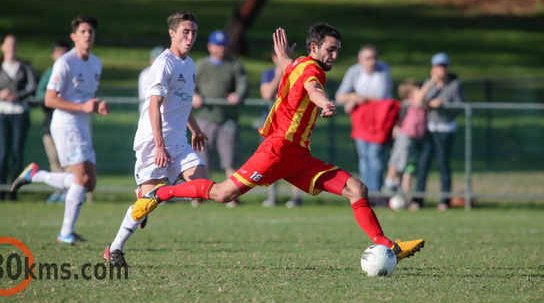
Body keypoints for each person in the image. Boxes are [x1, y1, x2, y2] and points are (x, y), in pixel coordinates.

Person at [132, 24, 425, 263]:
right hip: (277, 150)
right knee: (222, 194)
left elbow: (290, 67)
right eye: (330, 49)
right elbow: (313, 89)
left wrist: (283, 55)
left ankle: (389, 246)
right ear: (314, 48)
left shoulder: (298, 64)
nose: (334, 55)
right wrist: (325, 103)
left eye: (337, 50)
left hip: (298, 156)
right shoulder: (312, 71)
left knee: (357, 189)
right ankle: (160, 194)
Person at [103, 10, 209, 267]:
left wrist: (194, 129)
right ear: (172, 33)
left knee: (201, 183)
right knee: (149, 202)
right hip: (153, 141)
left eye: (194, 32)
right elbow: (154, 106)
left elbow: (182, 104)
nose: (191, 37)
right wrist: (159, 146)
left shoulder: (189, 63)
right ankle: (114, 248)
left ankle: (153, 193)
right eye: (186, 31)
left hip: (179, 141)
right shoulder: (164, 63)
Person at [11, 15, 109, 243]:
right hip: (65, 124)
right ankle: (66, 232)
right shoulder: (64, 62)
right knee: (81, 178)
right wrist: (82, 106)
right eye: (83, 32)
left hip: (81, 123)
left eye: (90, 32)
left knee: (89, 182)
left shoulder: (96, 63)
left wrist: (96, 105)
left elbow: (86, 97)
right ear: (74, 37)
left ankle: (35, 175)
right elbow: (49, 99)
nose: (87, 35)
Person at [191, 30, 249, 207]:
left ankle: (231, 196)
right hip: (204, 119)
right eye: (217, 45)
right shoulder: (200, 65)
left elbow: (243, 84)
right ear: (210, 46)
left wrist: (237, 95)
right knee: (203, 160)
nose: (220, 49)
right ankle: (200, 194)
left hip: (226, 120)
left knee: (230, 160)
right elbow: (188, 84)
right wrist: (194, 96)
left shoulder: (234, 65)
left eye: (223, 45)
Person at [335, 45, 393, 200]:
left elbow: (380, 96)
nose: (372, 62)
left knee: (375, 157)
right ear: (360, 60)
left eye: (374, 58)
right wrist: (354, 97)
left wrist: (358, 98)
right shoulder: (354, 71)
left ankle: (376, 194)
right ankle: (366, 194)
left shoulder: (383, 70)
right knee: (364, 159)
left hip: (379, 122)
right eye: (368, 58)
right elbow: (340, 95)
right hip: (361, 122)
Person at [0, 34, 37, 201]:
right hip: (2, 112)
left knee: (17, 152)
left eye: (14, 44)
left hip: (19, 112)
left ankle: (14, 190)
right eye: (8, 44)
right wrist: (1, 94)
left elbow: (32, 87)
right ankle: (1, 188)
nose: (11, 47)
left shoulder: (24, 66)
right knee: (2, 152)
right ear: (2, 47)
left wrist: (18, 94)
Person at [410, 53, 463, 211]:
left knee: (443, 164)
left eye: (444, 67)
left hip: (445, 129)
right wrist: (432, 82)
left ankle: (444, 201)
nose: (441, 70)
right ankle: (418, 200)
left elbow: (459, 106)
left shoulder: (454, 84)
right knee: (423, 164)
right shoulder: (429, 84)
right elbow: (418, 102)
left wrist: (443, 103)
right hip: (429, 129)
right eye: (438, 67)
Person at [259, 50, 302, 208]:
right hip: (271, 126)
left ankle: (296, 197)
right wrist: (279, 74)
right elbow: (267, 94)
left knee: (293, 161)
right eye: (277, 56)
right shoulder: (269, 74)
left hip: (290, 126)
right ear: (273, 57)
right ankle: (272, 196)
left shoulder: (296, 73)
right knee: (270, 162)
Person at [383, 79, 431, 203]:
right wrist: (431, 81)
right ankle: (388, 184)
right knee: (398, 161)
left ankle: (405, 195)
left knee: (409, 167)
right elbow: (419, 98)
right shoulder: (411, 102)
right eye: (417, 90)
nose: (421, 92)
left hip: (417, 138)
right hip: (405, 136)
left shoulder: (421, 102)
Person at [36, 40, 71, 203]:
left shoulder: (73, 71)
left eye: (65, 52)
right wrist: (57, 100)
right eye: (58, 52)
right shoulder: (50, 74)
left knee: (71, 162)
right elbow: (41, 95)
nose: (61, 56)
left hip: (70, 125)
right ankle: (57, 188)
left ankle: (69, 191)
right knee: (55, 160)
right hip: (52, 123)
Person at [138, 45, 165, 114]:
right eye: (156, 60)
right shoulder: (146, 74)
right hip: (149, 113)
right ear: (151, 61)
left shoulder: (167, 72)